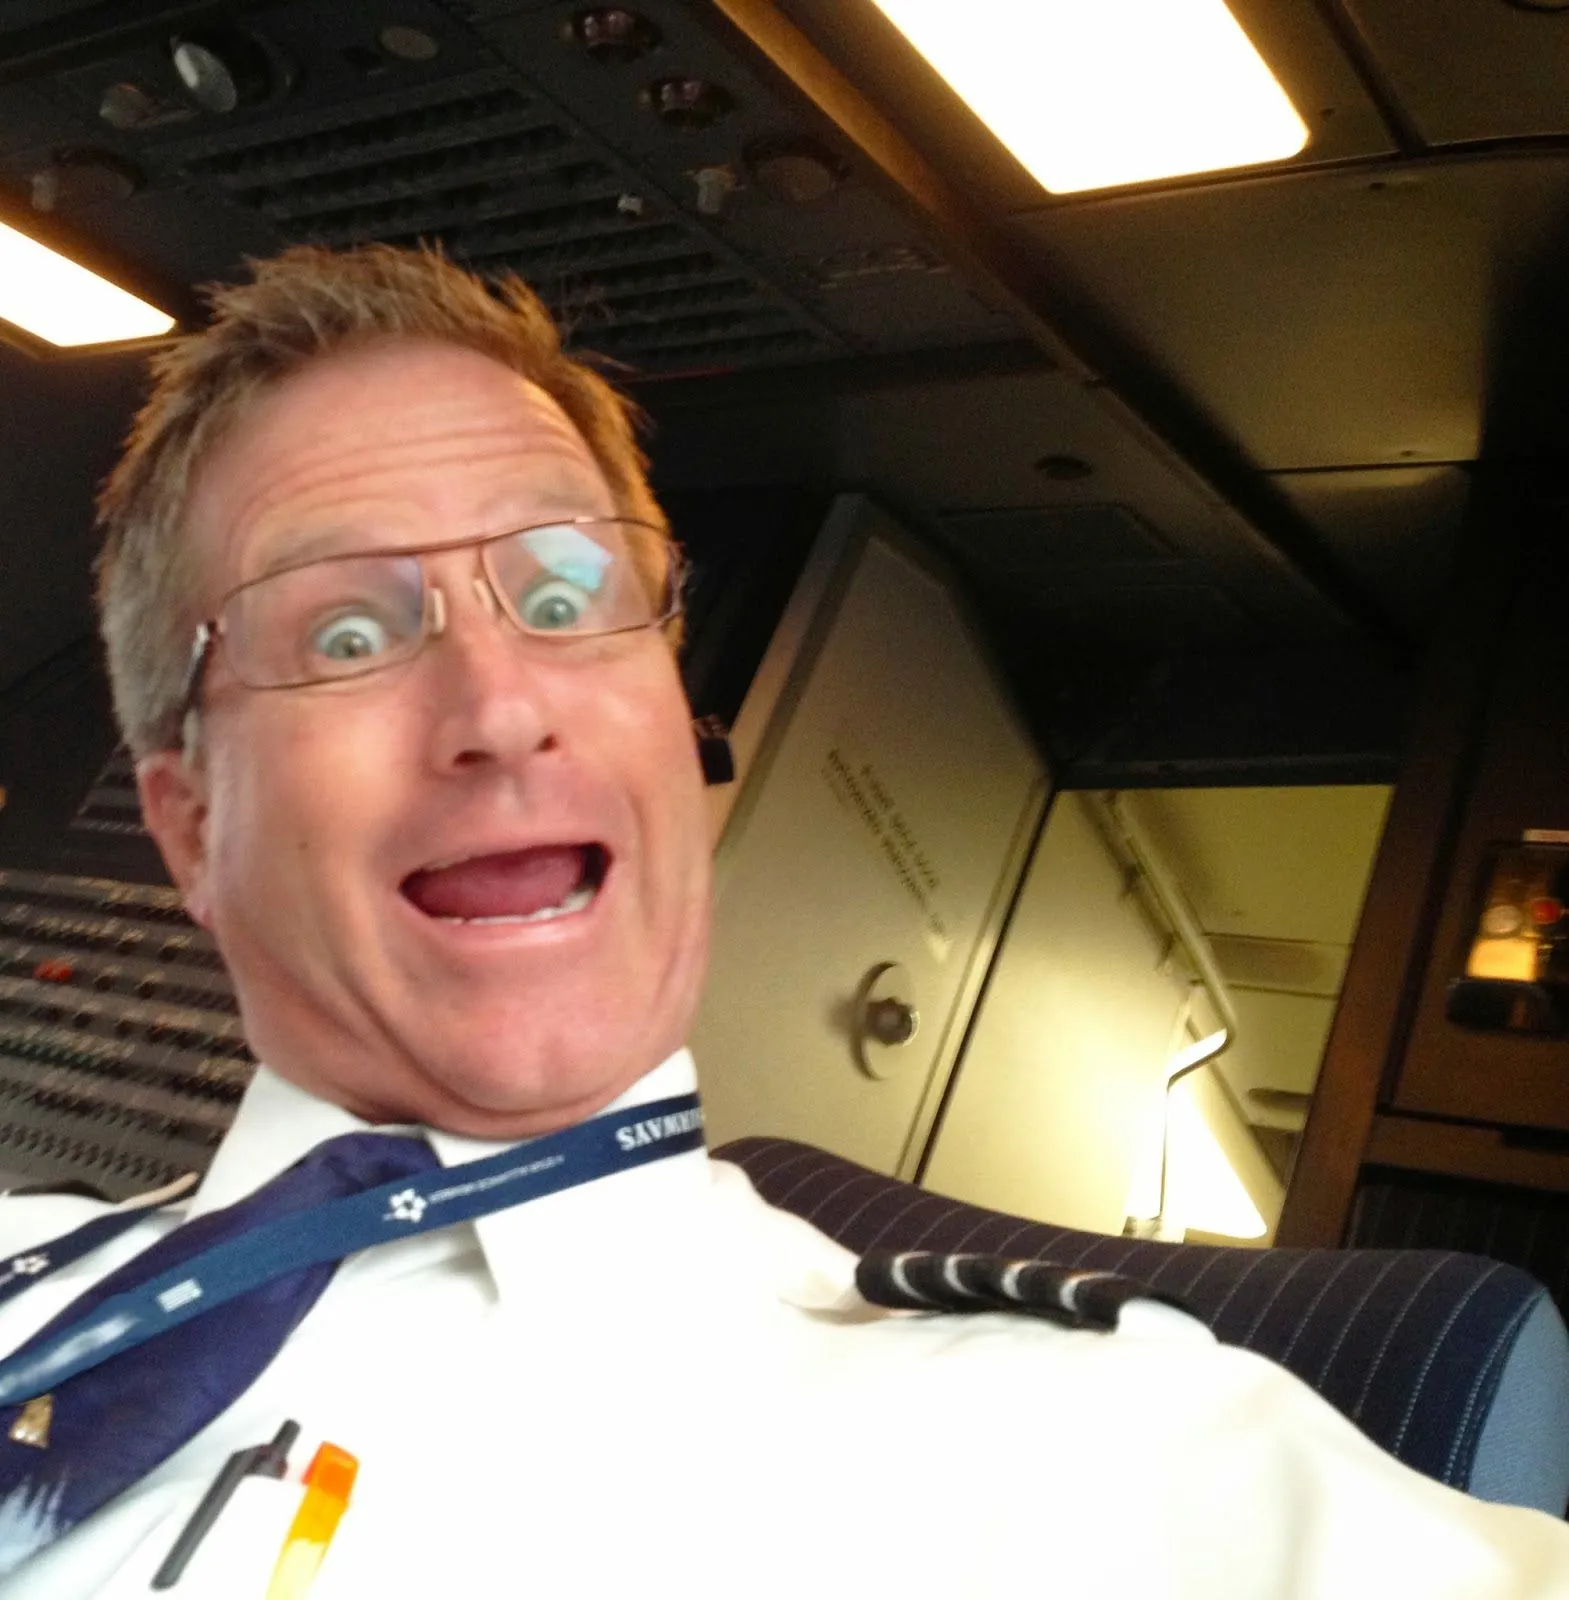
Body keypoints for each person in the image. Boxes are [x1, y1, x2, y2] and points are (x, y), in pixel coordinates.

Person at [0, 243, 1566, 1598]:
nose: (500, 706)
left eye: (564, 599)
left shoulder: (1118, 1465)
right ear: (189, 828)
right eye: (347, 631)